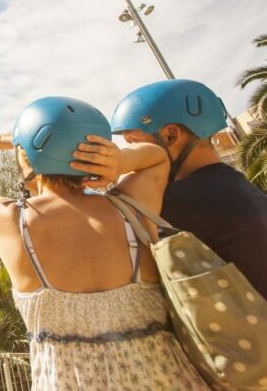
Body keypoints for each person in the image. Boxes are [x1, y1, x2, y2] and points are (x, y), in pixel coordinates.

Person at [0, 96, 210, 391]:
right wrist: (120, 162)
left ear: (26, 158)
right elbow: (157, 156)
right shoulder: (131, 206)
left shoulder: (11, 222)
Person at [110, 79, 267, 298]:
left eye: (135, 143)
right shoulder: (238, 185)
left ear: (170, 135)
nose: (134, 153)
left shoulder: (176, 202)